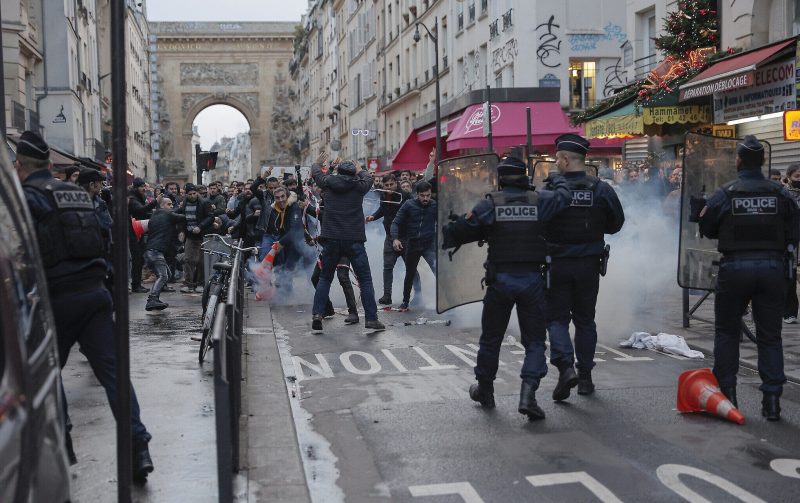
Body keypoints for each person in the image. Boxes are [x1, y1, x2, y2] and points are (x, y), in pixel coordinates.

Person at [14, 131, 154, 481]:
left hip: (54, 300)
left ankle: (63, 443)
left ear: (20, 167)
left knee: (46, 377)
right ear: (50, 165)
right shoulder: (76, 194)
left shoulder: (26, 199)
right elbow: (104, 236)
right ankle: (138, 448)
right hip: (94, 294)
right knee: (114, 375)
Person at [442, 155, 572, 420]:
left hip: (500, 281)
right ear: (524, 176)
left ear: (500, 178)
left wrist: (451, 227)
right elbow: (564, 198)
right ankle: (528, 395)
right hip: (532, 281)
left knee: (491, 339)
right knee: (535, 341)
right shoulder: (541, 201)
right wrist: (557, 176)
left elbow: (465, 228)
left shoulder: (491, 204)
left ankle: (486, 391)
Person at [698, 135, 799, 421]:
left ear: (739, 161)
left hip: (735, 268)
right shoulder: (780, 194)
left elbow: (708, 227)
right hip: (772, 269)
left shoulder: (726, 193)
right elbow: (794, 230)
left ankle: (728, 396)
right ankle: (772, 402)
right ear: (764, 162)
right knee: (770, 336)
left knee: (727, 332)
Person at [544, 134, 625, 401]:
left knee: (557, 319)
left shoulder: (551, 189)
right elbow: (616, 224)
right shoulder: (601, 189)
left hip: (557, 264)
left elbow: (538, 224)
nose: (556, 163)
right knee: (585, 320)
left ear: (566, 160)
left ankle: (566, 368)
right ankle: (586, 378)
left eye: (557, 159)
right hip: (589, 265)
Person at [310, 155, 385, 332]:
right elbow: (368, 177)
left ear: (338, 172)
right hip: (354, 239)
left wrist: (318, 164)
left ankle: (317, 314)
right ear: (353, 174)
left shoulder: (327, 183)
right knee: (365, 280)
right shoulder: (359, 186)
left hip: (332, 238)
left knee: (325, 278)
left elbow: (316, 174)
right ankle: (371, 319)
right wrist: (359, 168)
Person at [366, 173, 417, 304]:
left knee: (411, 267)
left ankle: (418, 294)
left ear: (396, 183)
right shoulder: (383, 195)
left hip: (405, 237)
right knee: (388, 267)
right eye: (386, 185)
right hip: (390, 237)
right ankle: (387, 295)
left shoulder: (405, 196)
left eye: (391, 185)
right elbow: (382, 210)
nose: (389, 187)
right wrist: (373, 216)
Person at [391, 181, 437, 311]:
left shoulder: (435, 205)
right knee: (410, 274)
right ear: (417, 194)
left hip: (429, 245)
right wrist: (395, 239)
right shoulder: (408, 205)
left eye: (428, 195)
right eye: (422, 195)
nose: (425, 198)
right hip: (413, 244)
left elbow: (445, 220)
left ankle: (447, 302)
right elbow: (395, 223)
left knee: (438, 272)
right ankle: (405, 301)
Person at [144, 198, 186, 310]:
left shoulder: (155, 215)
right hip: (155, 251)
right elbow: (184, 217)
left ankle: (155, 299)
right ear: (162, 205)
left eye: (172, 204)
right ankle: (152, 299)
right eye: (169, 204)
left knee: (166, 273)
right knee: (163, 275)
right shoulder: (166, 213)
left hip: (153, 250)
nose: (171, 206)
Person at [175, 183, 213, 293]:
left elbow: (210, 216)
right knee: (188, 260)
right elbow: (181, 218)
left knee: (201, 261)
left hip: (202, 235)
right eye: (190, 194)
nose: (192, 196)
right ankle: (189, 284)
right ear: (186, 194)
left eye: (194, 193)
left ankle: (200, 283)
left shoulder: (204, 203)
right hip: (190, 236)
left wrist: (200, 226)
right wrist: (181, 231)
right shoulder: (184, 204)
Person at [128, 177, 157, 293]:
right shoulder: (132, 198)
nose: (144, 189)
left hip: (138, 230)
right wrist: (155, 202)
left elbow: (144, 212)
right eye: (142, 186)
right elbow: (140, 210)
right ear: (136, 187)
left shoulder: (139, 197)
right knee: (136, 258)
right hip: (132, 231)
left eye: (145, 186)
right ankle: (135, 284)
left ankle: (136, 283)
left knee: (139, 258)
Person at [784, 163, 800, 324]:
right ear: (789, 177)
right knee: (790, 277)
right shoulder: (784, 194)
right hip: (791, 243)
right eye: (797, 176)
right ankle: (789, 312)